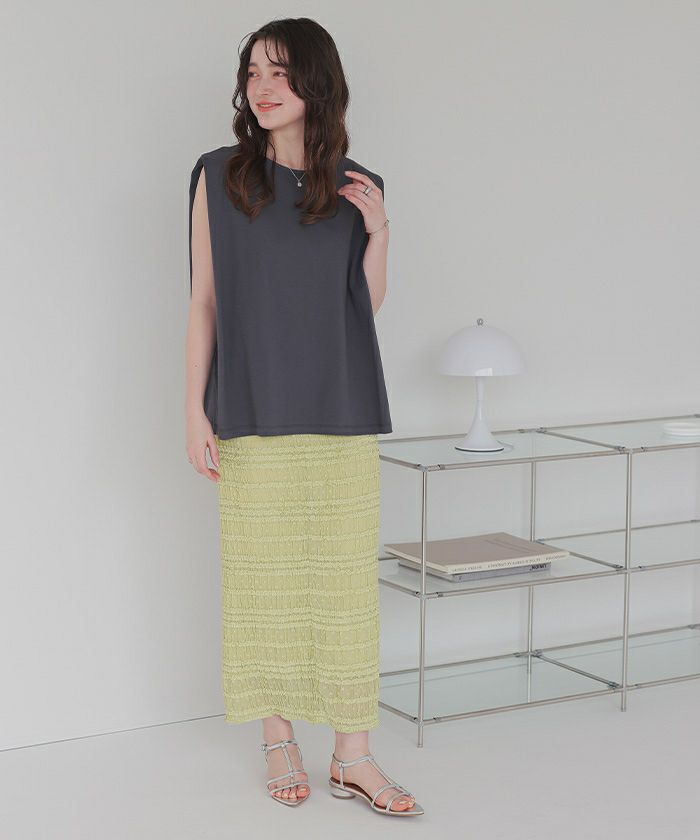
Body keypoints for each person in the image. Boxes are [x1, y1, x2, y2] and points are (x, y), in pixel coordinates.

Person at [185, 17, 423, 817]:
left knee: (345, 589)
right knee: (263, 581)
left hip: (340, 406)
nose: (262, 87)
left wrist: (380, 229)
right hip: (252, 409)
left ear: (317, 82)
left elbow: (361, 308)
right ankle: (278, 740)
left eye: (280, 72)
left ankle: (353, 757)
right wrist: (194, 410)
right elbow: (205, 302)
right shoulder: (219, 176)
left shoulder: (357, 185)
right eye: (253, 72)